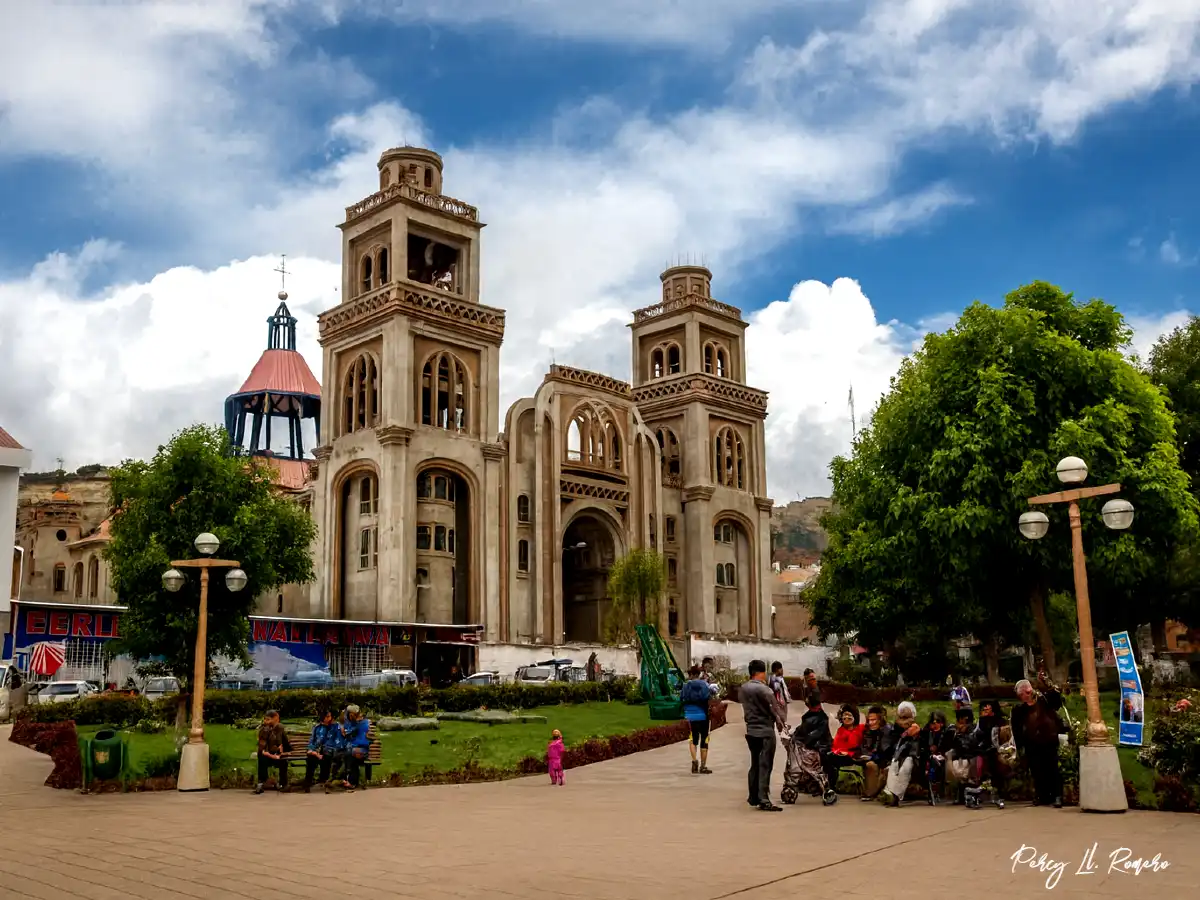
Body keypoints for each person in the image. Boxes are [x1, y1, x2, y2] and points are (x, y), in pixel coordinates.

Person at [1011, 674, 1064, 808]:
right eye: (1021, 695)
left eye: (1024, 693)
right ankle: (1042, 796)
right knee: (1037, 770)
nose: (1023, 697)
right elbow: (1016, 728)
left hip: (1048, 740)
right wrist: (1019, 747)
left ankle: (1057, 796)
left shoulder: (1044, 700)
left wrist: (1046, 682)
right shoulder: (1019, 710)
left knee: (1052, 768)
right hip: (1031, 743)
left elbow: (1057, 700)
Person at [741, 659, 785, 811]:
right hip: (765, 731)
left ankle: (753, 795)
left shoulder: (744, 688)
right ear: (762, 672)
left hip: (751, 730)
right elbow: (775, 710)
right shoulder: (765, 690)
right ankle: (764, 798)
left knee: (755, 763)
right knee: (765, 764)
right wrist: (782, 724)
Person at [880, 701, 921, 807]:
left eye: (907, 716)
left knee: (906, 767)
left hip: (913, 757)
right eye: (902, 717)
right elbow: (889, 746)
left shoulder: (917, 728)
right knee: (893, 766)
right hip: (897, 756)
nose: (904, 720)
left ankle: (896, 796)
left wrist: (913, 735)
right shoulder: (894, 730)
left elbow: (919, 747)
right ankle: (891, 794)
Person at [681, 665, 715, 774]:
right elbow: (709, 696)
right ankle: (703, 766)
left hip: (691, 714)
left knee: (693, 739)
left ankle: (694, 761)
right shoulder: (704, 684)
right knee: (704, 739)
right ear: (698, 674)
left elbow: (681, 698)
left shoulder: (686, 686)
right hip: (703, 714)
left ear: (691, 674)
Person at [947, 707, 984, 807]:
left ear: (965, 718)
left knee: (963, 770)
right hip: (960, 756)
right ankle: (961, 795)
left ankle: (969, 795)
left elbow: (967, 746)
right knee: (953, 766)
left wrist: (959, 734)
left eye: (959, 718)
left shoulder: (974, 730)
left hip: (972, 756)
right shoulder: (955, 730)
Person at [976, 699, 1009, 806]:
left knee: (995, 762)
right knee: (983, 761)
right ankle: (982, 791)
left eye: (987, 706)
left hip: (999, 749)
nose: (985, 708)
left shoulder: (1000, 720)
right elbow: (977, 736)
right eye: (983, 706)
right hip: (984, 749)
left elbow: (1005, 737)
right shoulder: (981, 721)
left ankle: (998, 792)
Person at [856, 705, 893, 801]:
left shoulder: (887, 730)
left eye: (873, 720)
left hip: (885, 760)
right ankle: (871, 793)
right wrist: (866, 756)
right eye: (869, 720)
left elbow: (886, 750)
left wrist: (873, 756)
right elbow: (863, 747)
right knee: (870, 765)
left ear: (880, 720)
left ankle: (873, 793)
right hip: (872, 759)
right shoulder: (867, 731)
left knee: (882, 768)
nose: (871, 723)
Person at [302, 709, 342, 793]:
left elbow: (338, 741)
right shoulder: (317, 727)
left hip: (330, 750)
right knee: (311, 758)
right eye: (327, 716)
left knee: (326, 756)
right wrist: (313, 751)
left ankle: (324, 781)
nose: (329, 718)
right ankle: (307, 784)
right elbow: (312, 741)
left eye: (330, 716)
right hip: (316, 751)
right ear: (322, 717)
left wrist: (330, 749)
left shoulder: (336, 727)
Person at [824, 704, 864, 789]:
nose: (846, 717)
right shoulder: (841, 730)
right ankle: (829, 784)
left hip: (854, 755)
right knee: (827, 755)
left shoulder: (860, 728)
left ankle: (831, 786)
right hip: (841, 755)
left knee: (830, 758)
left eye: (849, 715)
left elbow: (856, 744)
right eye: (844, 715)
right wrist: (838, 752)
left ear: (855, 717)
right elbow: (835, 746)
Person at [255, 709, 291, 795]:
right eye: (266, 719)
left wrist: (286, 751)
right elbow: (262, 746)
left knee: (283, 761)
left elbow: (285, 742)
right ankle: (262, 782)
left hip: (277, 754)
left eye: (268, 719)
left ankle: (283, 784)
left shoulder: (280, 728)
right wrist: (270, 754)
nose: (266, 721)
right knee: (262, 758)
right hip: (267, 755)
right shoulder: (264, 730)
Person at [921, 710, 952, 805]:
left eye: (938, 722)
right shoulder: (927, 733)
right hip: (928, 757)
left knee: (937, 765)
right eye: (933, 722)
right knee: (929, 764)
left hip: (942, 756)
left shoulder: (946, 732)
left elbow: (947, 746)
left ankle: (938, 792)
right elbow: (924, 746)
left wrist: (939, 751)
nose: (935, 725)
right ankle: (931, 792)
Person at [339, 704, 371, 792]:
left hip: (363, 750)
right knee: (348, 754)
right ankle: (348, 780)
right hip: (352, 750)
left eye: (350, 714)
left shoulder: (364, 723)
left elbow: (363, 741)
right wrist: (342, 727)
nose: (348, 716)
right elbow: (342, 723)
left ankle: (348, 779)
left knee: (351, 753)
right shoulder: (350, 723)